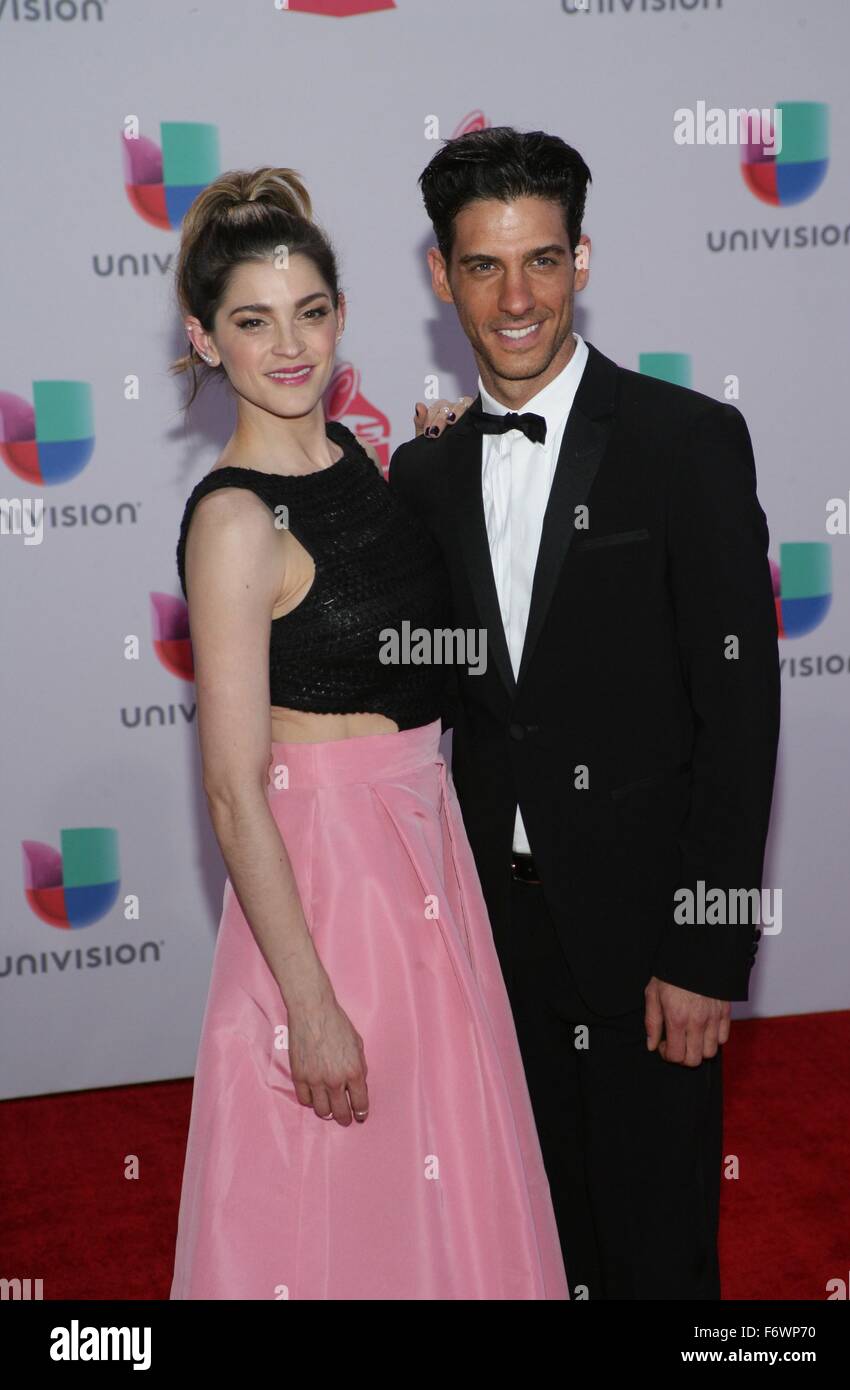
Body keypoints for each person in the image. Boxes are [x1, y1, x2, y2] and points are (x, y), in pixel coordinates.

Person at [389, 126, 781, 1300]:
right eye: (482, 266)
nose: (516, 299)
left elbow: (741, 712)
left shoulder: (685, 442)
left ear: (582, 259)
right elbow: (431, 697)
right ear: (438, 275)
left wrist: (706, 950)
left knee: (658, 1262)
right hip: (485, 946)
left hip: (648, 944)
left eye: (542, 262)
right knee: (525, 1250)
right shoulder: (426, 478)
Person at [167, 166, 568, 1300]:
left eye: (308, 313)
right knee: (340, 1194)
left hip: (421, 846)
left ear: (341, 315)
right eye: (251, 322)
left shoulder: (361, 459)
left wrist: (442, 455)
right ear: (205, 340)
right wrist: (307, 1005)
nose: (286, 347)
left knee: (443, 1185)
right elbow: (235, 791)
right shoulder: (235, 521)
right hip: (330, 881)